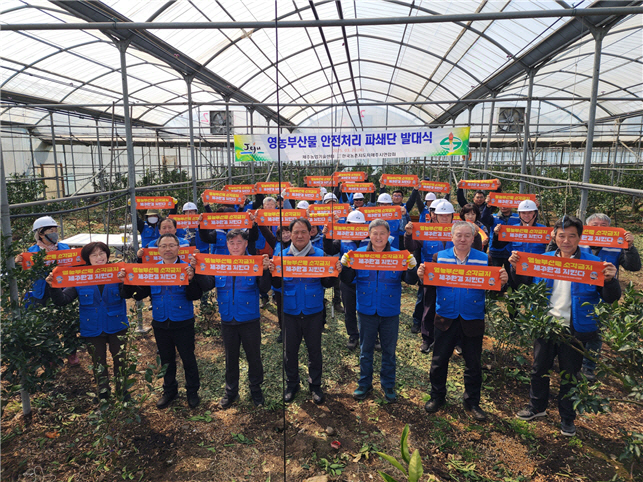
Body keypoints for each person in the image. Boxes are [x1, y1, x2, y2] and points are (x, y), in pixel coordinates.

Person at [509, 215, 621, 436]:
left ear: (580, 238)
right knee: (539, 369)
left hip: (575, 328)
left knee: (570, 374)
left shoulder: (593, 264)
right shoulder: (543, 260)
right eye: (562, 236)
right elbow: (523, 283)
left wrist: (610, 280)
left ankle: (567, 417)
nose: (566, 241)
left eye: (572, 236)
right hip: (545, 324)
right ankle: (537, 406)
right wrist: (515, 267)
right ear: (554, 236)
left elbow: (610, 297)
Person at [423, 221, 508, 421]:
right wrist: (421, 276)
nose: (462, 239)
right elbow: (429, 286)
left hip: (472, 317)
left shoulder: (484, 259)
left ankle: (472, 402)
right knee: (439, 361)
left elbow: (495, 287)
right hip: (445, 316)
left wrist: (503, 282)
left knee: (473, 363)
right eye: (458, 235)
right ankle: (437, 396)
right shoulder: (438, 257)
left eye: (467, 236)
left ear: (473, 238)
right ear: (451, 237)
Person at [121, 233, 215, 409]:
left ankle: (192, 391)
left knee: (188, 358)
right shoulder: (151, 270)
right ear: (158, 250)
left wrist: (191, 280)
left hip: (183, 321)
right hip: (161, 321)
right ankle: (169, 391)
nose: (168, 249)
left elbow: (195, 295)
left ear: (178, 248)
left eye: (172, 245)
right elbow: (139, 294)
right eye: (163, 246)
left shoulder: (187, 268)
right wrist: (127, 281)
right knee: (166, 359)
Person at [340, 219, 418, 403]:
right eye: (374, 233)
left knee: (389, 351)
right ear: (369, 235)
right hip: (366, 309)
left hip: (389, 310)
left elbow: (410, 280)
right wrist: (345, 266)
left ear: (388, 235)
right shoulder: (358, 254)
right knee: (365, 350)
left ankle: (388, 385)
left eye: (382, 233)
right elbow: (348, 279)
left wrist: (412, 268)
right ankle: (364, 383)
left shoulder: (398, 255)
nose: (378, 237)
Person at [269, 218, 342, 405]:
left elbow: (326, 283)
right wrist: (271, 272)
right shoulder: (281, 256)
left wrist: (334, 273)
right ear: (290, 234)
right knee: (289, 352)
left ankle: (315, 385)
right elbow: (276, 285)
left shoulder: (320, 255)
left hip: (313, 310)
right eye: (295, 232)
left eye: (303, 232)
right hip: (290, 311)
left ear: (310, 233)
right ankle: (292, 384)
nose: (299, 235)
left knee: (314, 351)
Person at [46, 242, 129, 401]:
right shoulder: (80, 276)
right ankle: (103, 392)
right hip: (92, 326)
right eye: (94, 255)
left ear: (107, 255)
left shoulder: (117, 272)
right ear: (87, 258)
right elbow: (63, 300)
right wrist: (53, 287)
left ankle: (122, 391)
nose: (99, 257)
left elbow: (127, 294)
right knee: (98, 361)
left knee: (120, 359)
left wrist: (125, 282)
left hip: (117, 324)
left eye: (102, 253)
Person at [406, 201, 482, 354]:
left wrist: (476, 235)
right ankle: (427, 339)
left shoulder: (460, 231)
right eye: (442, 215)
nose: (445, 218)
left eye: (448, 215)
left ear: (453, 216)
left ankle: (458, 341)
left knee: (456, 309)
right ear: (435, 216)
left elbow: (476, 249)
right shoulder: (426, 231)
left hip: (456, 279)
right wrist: (408, 234)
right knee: (429, 308)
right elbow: (412, 246)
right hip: (431, 277)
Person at [207, 229, 271, 409]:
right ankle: (231, 392)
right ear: (227, 245)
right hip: (228, 319)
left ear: (246, 244)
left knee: (254, 357)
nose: (235, 246)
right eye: (232, 243)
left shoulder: (255, 263)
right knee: (231, 358)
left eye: (239, 242)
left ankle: (255, 389)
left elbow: (264, 288)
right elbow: (207, 284)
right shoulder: (219, 264)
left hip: (249, 319)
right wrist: (197, 271)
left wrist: (266, 271)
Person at [15, 216, 79, 366]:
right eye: (50, 230)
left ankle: (71, 353)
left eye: (55, 230)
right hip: (42, 291)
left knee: (68, 321)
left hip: (63, 289)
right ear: (40, 233)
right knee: (46, 323)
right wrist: (19, 263)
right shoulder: (31, 252)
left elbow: (74, 266)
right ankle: (53, 355)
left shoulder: (65, 248)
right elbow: (27, 272)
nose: (54, 233)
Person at [323, 210, 369, 350]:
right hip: (347, 282)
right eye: (353, 224)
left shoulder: (371, 239)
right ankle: (353, 335)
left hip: (367, 281)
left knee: (368, 310)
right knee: (349, 311)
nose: (356, 228)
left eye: (359, 225)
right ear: (347, 225)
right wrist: (327, 236)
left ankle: (372, 336)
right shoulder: (342, 239)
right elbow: (330, 250)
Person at [258, 222, 291, 343]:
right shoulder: (275, 243)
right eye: (282, 233)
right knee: (281, 309)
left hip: (292, 283)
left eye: (288, 232)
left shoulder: (297, 245)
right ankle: (283, 331)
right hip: (278, 284)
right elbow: (266, 233)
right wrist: (258, 220)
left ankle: (294, 331)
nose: (285, 235)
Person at [489, 204, 519, 274]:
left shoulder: (518, 217)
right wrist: (488, 206)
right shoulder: (493, 217)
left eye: (506, 204)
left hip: (512, 251)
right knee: (495, 274)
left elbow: (529, 221)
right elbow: (483, 218)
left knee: (511, 274)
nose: (503, 207)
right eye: (501, 204)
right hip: (496, 250)